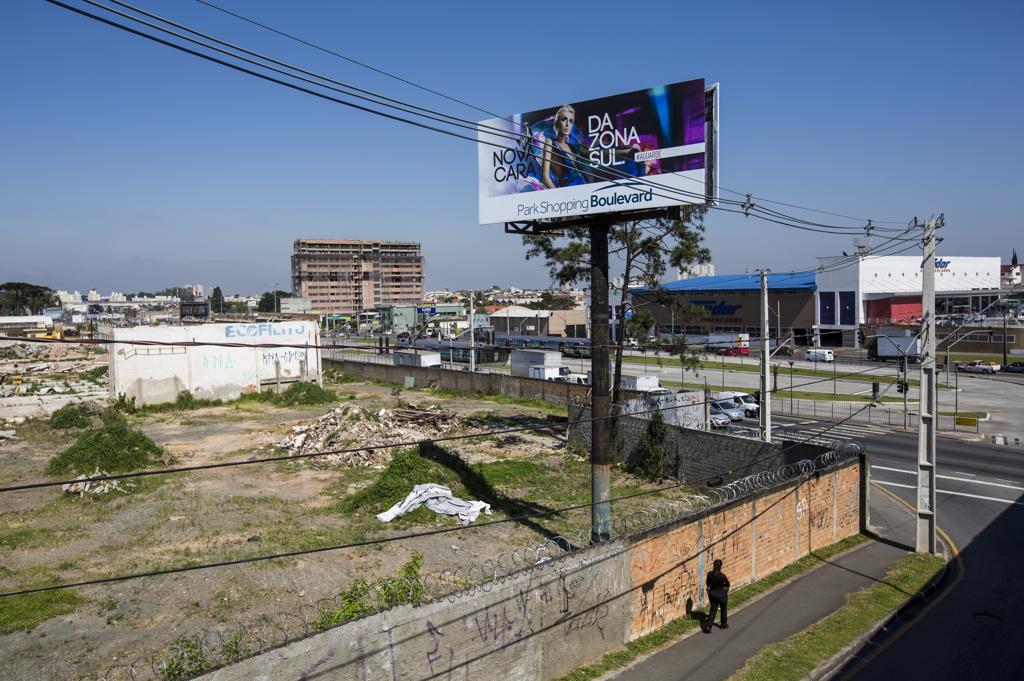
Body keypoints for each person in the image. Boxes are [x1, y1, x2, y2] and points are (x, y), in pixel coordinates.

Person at [703, 559, 730, 632]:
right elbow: (728, 584)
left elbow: (707, 583)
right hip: (722, 595)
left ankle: (708, 627)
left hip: (713, 595)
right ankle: (723, 624)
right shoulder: (722, 576)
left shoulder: (710, 574)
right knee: (723, 609)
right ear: (720, 567)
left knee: (712, 611)